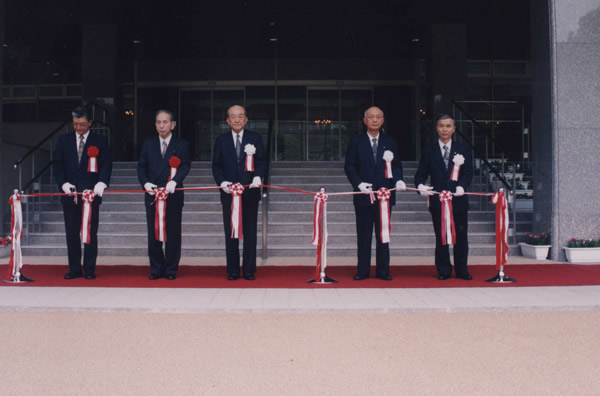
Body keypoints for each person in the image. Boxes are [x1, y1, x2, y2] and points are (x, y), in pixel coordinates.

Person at [344, 106, 406, 281]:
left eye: (378, 117)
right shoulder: (356, 141)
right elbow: (349, 166)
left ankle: (383, 271)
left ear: (383, 120)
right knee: (363, 235)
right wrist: (358, 184)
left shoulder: (390, 142)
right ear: (364, 120)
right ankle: (362, 271)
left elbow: (396, 165)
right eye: (371, 117)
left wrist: (398, 180)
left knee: (383, 235)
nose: (374, 120)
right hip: (364, 195)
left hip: (385, 196)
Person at [53, 106, 112, 279]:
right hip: (70, 194)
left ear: (90, 123)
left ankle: (90, 269)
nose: (78, 128)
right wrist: (63, 184)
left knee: (90, 233)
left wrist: (102, 182)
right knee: (71, 233)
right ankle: (74, 269)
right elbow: (57, 165)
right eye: (75, 124)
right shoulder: (63, 140)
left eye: (82, 124)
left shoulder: (100, 141)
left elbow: (106, 164)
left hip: (90, 194)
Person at [414, 114, 474, 280]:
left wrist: (462, 186)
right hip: (438, 201)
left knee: (461, 237)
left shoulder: (462, 150)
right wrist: (420, 186)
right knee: (441, 237)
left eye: (448, 126)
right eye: (441, 126)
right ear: (436, 128)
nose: (444, 129)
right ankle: (443, 270)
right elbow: (420, 174)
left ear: (454, 129)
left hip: (459, 200)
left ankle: (462, 270)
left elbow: (468, 172)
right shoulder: (429, 151)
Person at [212, 105, 265, 280]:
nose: (236, 119)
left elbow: (261, 162)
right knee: (231, 232)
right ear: (227, 120)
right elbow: (216, 165)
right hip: (229, 194)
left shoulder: (255, 138)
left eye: (240, 116)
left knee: (250, 232)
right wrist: (222, 182)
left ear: (246, 119)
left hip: (250, 192)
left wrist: (258, 177)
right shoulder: (221, 140)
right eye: (233, 117)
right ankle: (233, 270)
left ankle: (249, 270)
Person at [137, 110, 191, 280]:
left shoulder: (181, 145)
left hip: (173, 195)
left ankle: (171, 269)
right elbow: (142, 166)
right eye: (158, 122)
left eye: (165, 122)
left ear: (172, 124)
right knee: (153, 234)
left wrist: (174, 181)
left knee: (173, 234)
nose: (162, 125)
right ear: (155, 125)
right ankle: (156, 268)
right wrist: (145, 183)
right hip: (153, 195)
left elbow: (185, 166)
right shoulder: (148, 144)